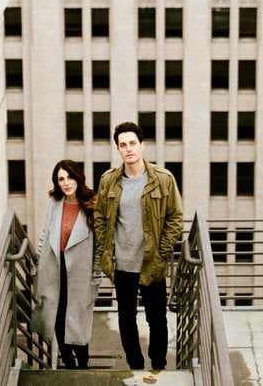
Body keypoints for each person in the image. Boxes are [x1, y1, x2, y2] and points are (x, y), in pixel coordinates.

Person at [95, 121, 183, 371]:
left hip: (151, 263)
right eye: (123, 145)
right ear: (118, 149)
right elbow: (100, 216)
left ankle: (158, 363)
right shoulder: (109, 181)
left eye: (133, 143)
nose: (128, 149)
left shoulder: (163, 179)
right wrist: (104, 249)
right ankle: (135, 364)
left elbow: (175, 217)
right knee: (126, 319)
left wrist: (162, 252)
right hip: (121, 264)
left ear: (142, 146)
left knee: (157, 319)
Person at [32, 160, 100, 369]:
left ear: (78, 178)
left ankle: (83, 366)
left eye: (69, 177)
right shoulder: (54, 202)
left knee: (78, 323)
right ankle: (69, 365)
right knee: (58, 319)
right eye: (61, 179)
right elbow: (45, 234)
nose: (66, 182)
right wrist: (37, 265)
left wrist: (95, 276)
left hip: (79, 273)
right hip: (54, 268)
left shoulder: (92, 203)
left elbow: (99, 246)